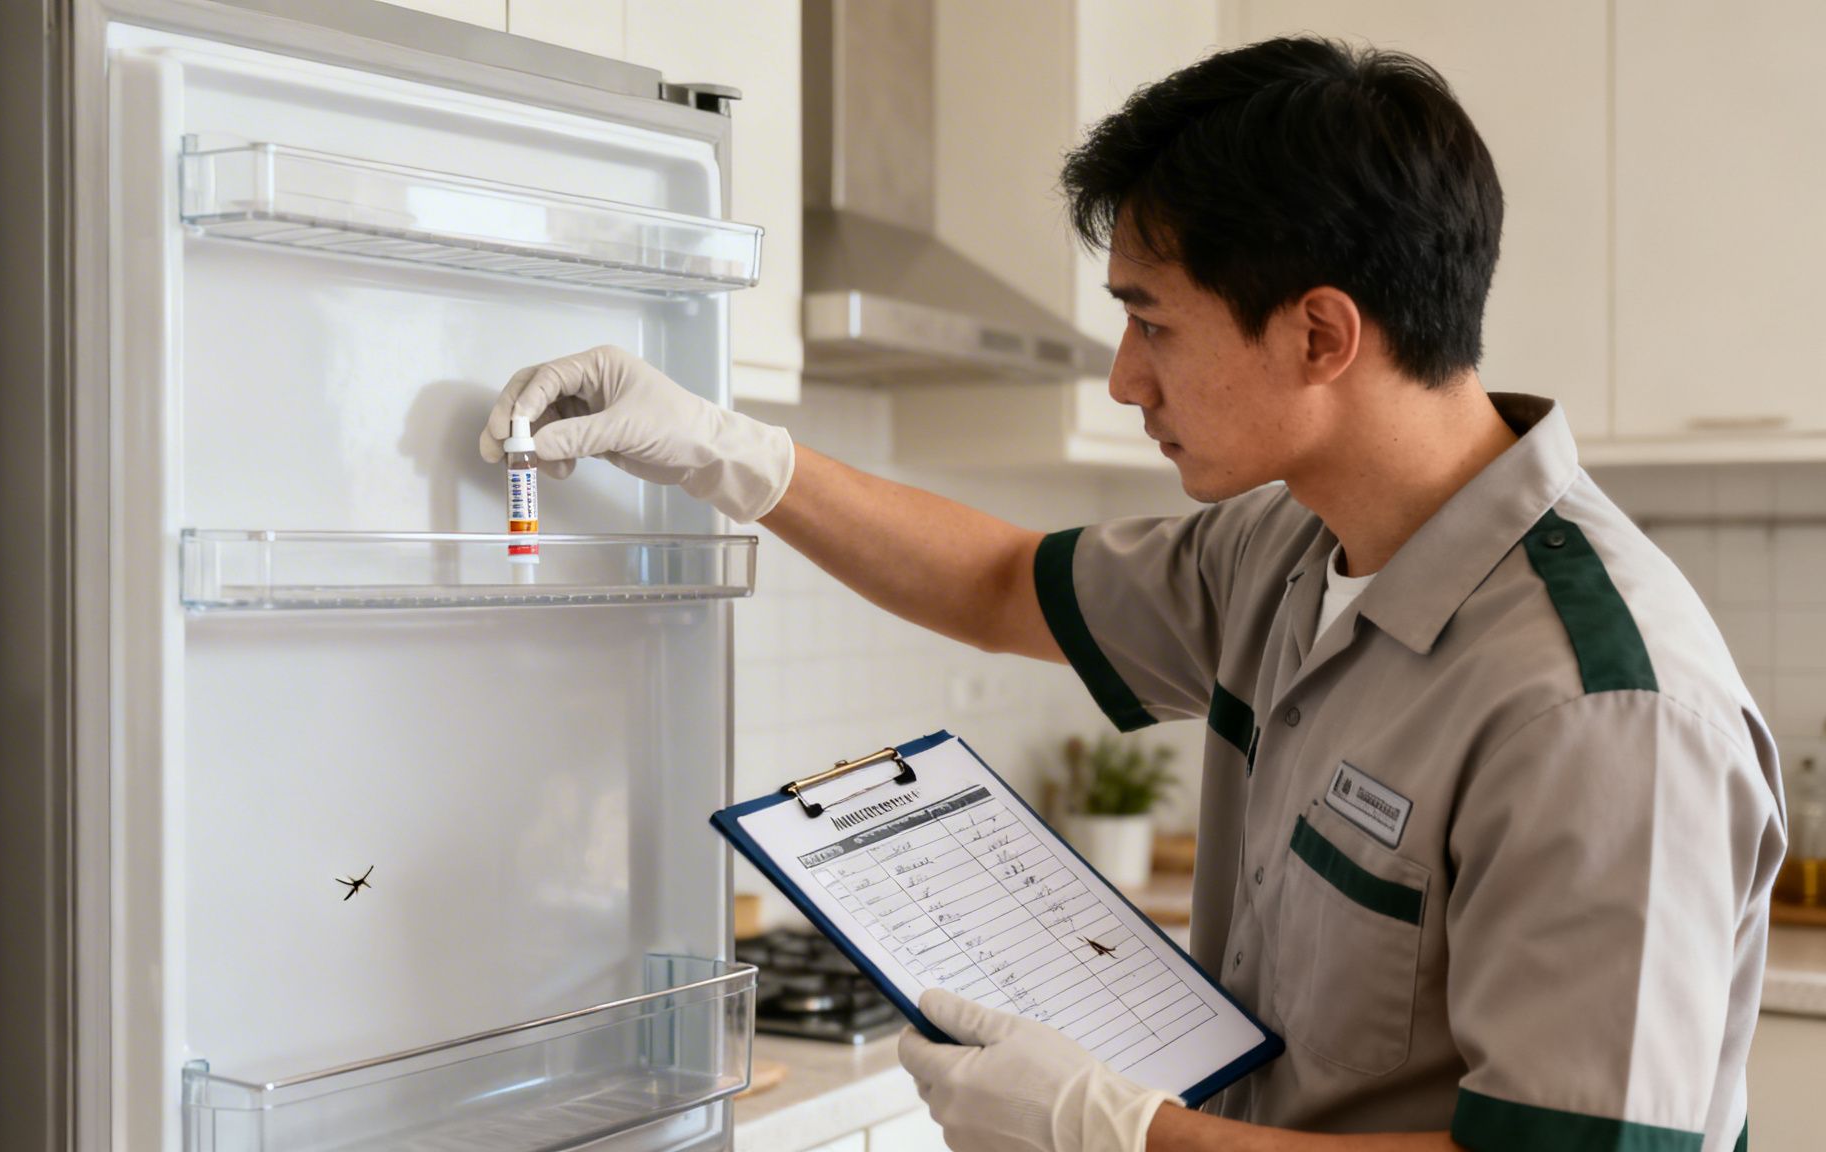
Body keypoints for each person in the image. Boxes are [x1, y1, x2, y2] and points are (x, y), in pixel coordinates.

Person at [478, 36, 1782, 1152]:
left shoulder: (1600, 710)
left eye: (1153, 322)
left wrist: (1126, 1132)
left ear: (1321, 334)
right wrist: (723, 448)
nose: (1120, 377)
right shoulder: (1280, 549)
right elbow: (1001, 585)